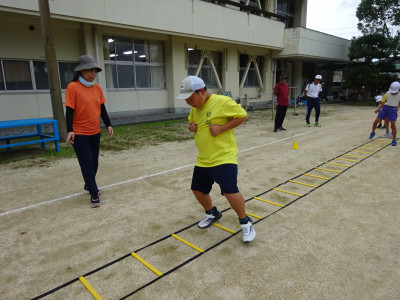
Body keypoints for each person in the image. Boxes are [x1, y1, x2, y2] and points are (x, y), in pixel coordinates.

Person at [176, 75, 256, 243]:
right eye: (186, 100)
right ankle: (212, 212)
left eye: (191, 99)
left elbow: (243, 116)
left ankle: (245, 221)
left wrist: (222, 128)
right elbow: (193, 123)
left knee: (229, 190)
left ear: (202, 91)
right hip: (204, 158)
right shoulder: (194, 108)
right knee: (197, 190)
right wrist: (192, 128)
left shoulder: (222, 102)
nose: (189, 103)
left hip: (223, 156)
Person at [65, 55, 114, 207]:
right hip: (79, 133)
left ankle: (88, 184)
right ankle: (93, 193)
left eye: (95, 71)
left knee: (94, 162)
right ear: (81, 71)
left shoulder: (96, 87)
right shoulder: (72, 87)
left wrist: (108, 124)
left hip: (94, 131)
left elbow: (102, 108)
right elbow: (69, 110)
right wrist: (70, 130)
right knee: (87, 162)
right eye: (89, 70)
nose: (93, 74)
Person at [369, 81, 400, 146]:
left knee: (393, 125)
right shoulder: (387, 93)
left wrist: (397, 109)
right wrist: (378, 109)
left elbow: (398, 104)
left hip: (393, 109)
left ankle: (394, 140)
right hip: (385, 108)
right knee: (376, 121)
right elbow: (383, 103)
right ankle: (373, 132)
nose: (393, 93)